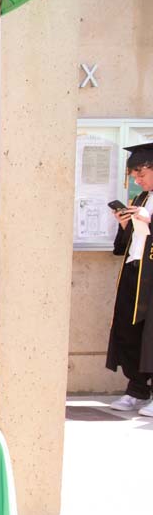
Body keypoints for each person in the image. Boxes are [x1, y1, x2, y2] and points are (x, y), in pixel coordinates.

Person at [105, 142, 153, 414]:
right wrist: (125, 225)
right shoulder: (139, 200)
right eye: (134, 175)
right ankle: (137, 388)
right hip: (135, 272)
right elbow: (125, 246)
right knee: (128, 330)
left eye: (141, 173)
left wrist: (149, 220)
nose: (137, 180)